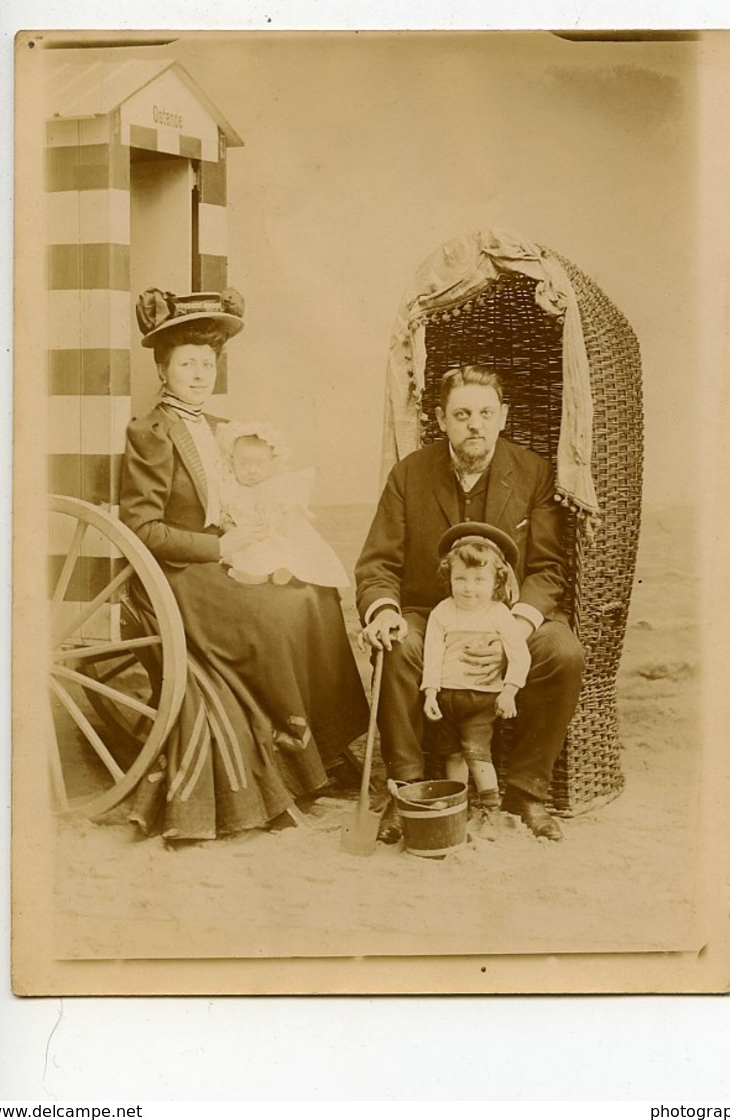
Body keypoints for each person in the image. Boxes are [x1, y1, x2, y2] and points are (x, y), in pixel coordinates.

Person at [119, 287, 369, 840]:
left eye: (207, 364)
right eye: (187, 364)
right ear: (163, 368)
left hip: (225, 556)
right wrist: (220, 547)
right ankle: (288, 752)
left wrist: (260, 529)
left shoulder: (220, 429)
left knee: (314, 596)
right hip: (181, 574)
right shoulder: (151, 434)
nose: (200, 374)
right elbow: (143, 529)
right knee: (275, 616)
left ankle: (323, 752)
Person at [355, 364, 585, 843]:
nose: (474, 424)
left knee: (562, 652)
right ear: (441, 419)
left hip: (509, 616)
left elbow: (547, 569)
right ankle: (410, 791)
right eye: (462, 414)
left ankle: (526, 791)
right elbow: (377, 564)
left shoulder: (533, 474)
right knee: (397, 646)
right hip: (429, 613)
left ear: (502, 416)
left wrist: (513, 631)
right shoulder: (409, 475)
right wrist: (384, 610)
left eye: (484, 413)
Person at [421, 523, 531, 840]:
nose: (469, 588)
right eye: (461, 579)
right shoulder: (442, 612)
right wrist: (430, 693)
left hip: (481, 699)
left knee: (477, 753)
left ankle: (490, 809)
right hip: (447, 698)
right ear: (449, 578)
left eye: (479, 580)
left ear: (497, 580)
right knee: (452, 755)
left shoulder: (498, 614)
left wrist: (509, 691)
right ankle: (460, 806)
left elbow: (519, 655)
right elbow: (432, 654)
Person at [214, 420, 349, 589]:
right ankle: (253, 574)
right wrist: (234, 532)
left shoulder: (276, 487)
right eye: (244, 464)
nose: (252, 470)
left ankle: (282, 571)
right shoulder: (232, 491)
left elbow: (291, 510)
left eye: (259, 464)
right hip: (247, 538)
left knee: (287, 550)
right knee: (252, 554)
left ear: (271, 464)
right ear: (232, 462)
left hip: (275, 533)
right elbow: (225, 517)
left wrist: (284, 527)